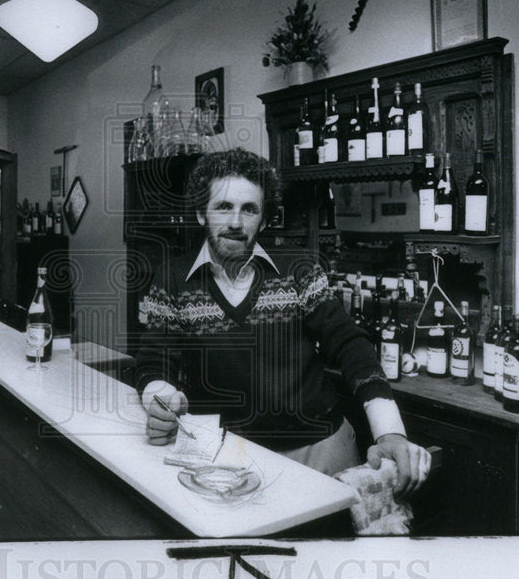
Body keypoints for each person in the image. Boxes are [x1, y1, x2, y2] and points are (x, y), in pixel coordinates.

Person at [134, 148, 431, 495]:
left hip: (320, 449)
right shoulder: (170, 278)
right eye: (223, 207)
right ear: (202, 214)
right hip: (227, 455)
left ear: (263, 219)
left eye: (249, 209)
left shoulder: (299, 269)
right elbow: (153, 362)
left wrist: (389, 431)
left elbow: (349, 344)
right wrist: (161, 401)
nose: (235, 222)